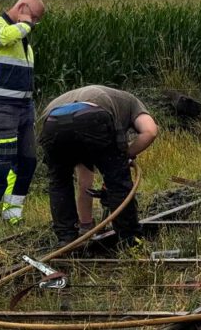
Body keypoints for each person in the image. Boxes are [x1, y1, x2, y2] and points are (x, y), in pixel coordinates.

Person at [38, 85, 158, 246]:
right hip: (92, 117)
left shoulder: (75, 98)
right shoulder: (132, 102)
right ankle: (130, 239)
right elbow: (150, 131)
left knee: (60, 182)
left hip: (52, 123)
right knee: (117, 181)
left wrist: (87, 225)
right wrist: (125, 157)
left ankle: (67, 239)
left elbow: (84, 182)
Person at [0, 0, 45, 231]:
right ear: (22, 8)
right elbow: (4, 37)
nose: (34, 24)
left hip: (23, 109)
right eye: (33, 17)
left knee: (27, 161)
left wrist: (25, 26)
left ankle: (12, 211)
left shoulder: (23, 39)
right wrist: (25, 24)